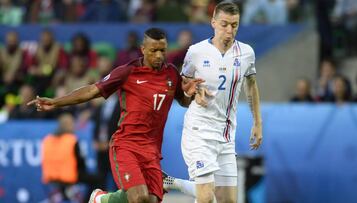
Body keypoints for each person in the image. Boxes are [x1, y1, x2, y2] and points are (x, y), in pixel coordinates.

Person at [28, 27, 204, 203]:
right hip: (126, 145)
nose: (158, 56)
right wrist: (56, 101)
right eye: (153, 51)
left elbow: (184, 101)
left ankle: (103, 199)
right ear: (143, 50)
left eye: (162, 50)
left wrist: (191, 93)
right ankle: (100, 198)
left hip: (152, 150)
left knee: (149, 200)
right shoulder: (128, 72)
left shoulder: (171, 73)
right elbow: (91, 91)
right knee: (139, 198)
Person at [180, 2, 263, 203]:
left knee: (228, 201)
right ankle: (172, 183)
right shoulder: (196, 52)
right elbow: (182, 83)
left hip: (226, 135)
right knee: (207, 197)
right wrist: (193, 92)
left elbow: (251, 85)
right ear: (213, 23)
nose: (229, 30)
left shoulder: (246, 53)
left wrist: (257, 123)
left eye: (234, 25)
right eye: (224, 24)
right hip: (199, 131)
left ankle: (170, 182)